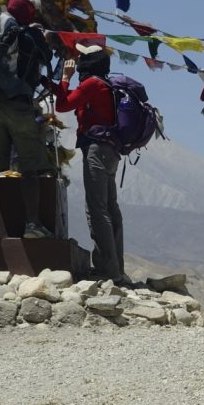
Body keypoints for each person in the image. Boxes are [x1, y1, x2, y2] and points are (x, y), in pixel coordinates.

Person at [0, 0, 54, 240]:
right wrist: (43, 38)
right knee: (29, 167)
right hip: (19, 105)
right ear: (28, 12)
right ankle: (32, 225)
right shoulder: (28, 34)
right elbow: (47, 58)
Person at [50, 45, 129, 284]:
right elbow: (73, 99)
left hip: (96, 149)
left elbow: (63, 105)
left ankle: (108, 270)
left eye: (82, 57)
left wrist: (65, 77)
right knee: (110, 207)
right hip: (111, 151)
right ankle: (116, 267)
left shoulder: (92, 84)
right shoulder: (106, 84)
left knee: (97, 209)